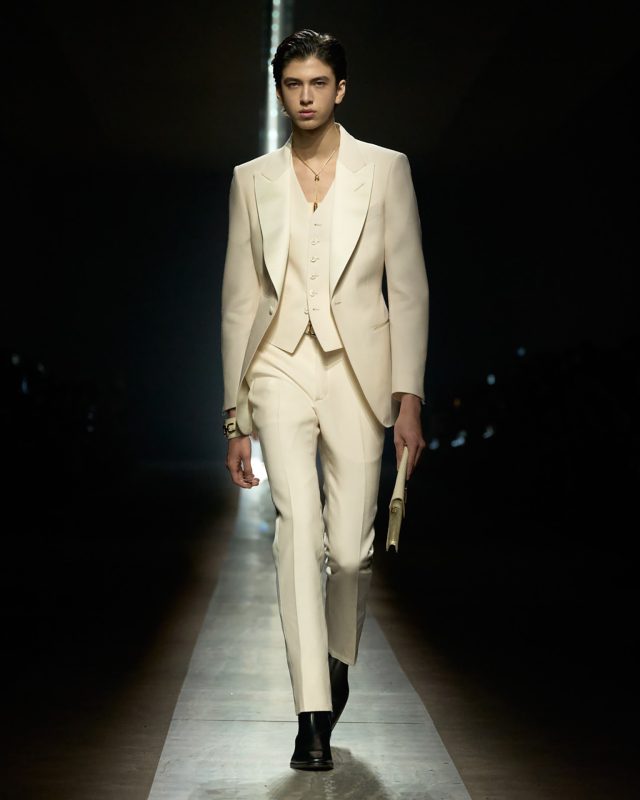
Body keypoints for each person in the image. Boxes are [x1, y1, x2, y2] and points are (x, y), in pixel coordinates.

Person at [220, 29, 428, 771]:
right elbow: (240, 301)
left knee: (349, 550)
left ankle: (336, 661)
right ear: (280, 92)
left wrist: (410, 397)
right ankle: (312, 714)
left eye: (317, 83)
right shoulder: (253, 179)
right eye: (292, 84)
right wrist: (236, 416)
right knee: (298, 532)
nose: (305, 96)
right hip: (279, 365)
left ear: (340, 89)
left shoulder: (386, 169)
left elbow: (408, 287)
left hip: (358, 370)